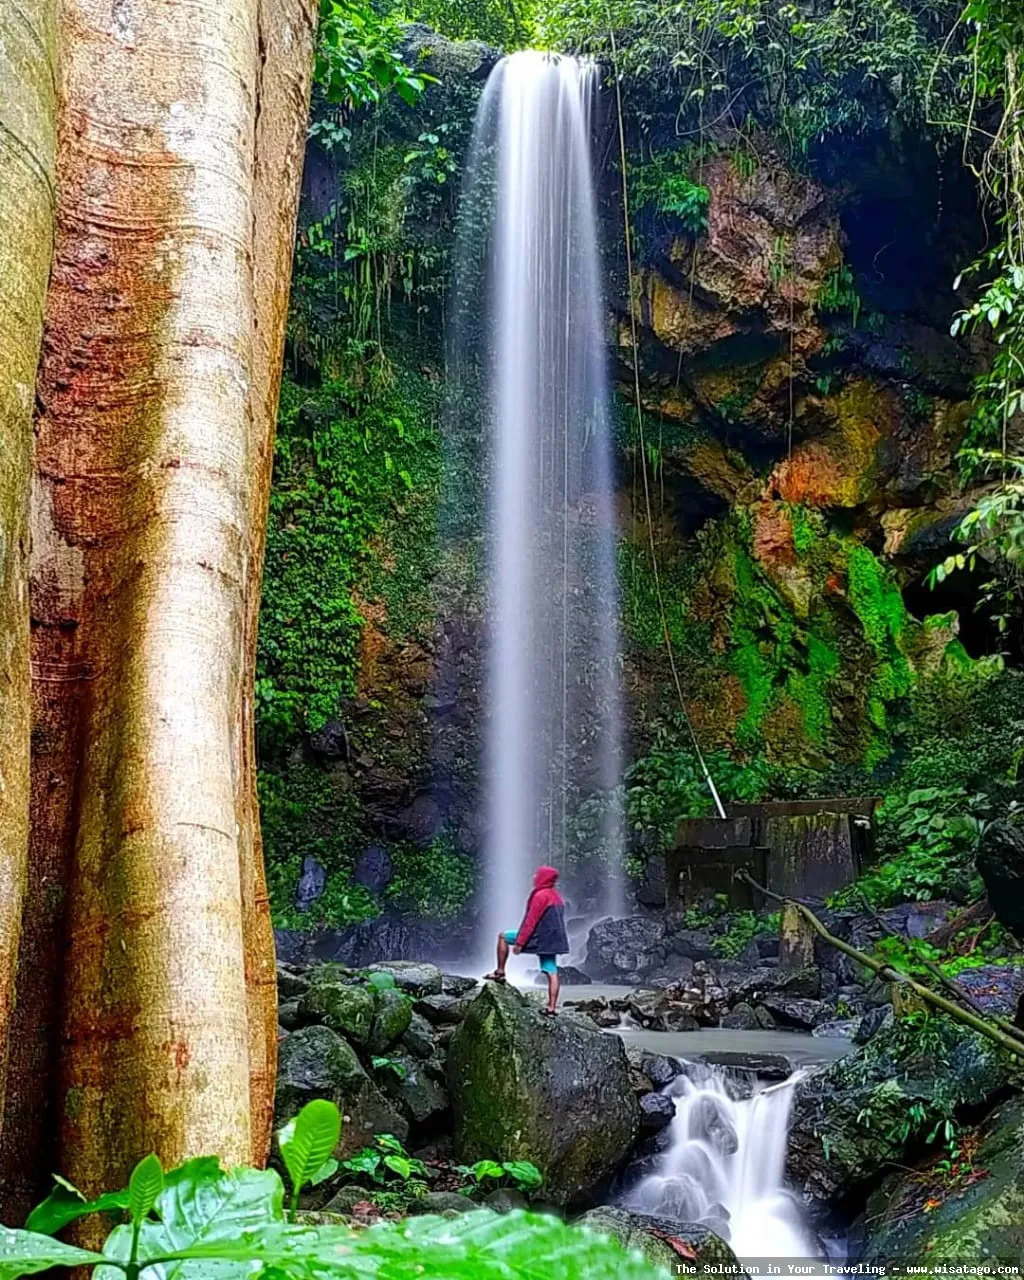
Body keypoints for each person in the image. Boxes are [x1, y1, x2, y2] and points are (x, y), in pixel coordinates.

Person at [484, 865, 570, 1015]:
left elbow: (531, 921)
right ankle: (552, 1007)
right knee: (551, 971)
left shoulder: (541, 896)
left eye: (537, 875)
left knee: (503, 936)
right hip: (554, 939)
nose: (534, 878)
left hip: (539, 936)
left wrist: (520, 943)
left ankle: (500, 971)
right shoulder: (557, 897)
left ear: (543, 878)